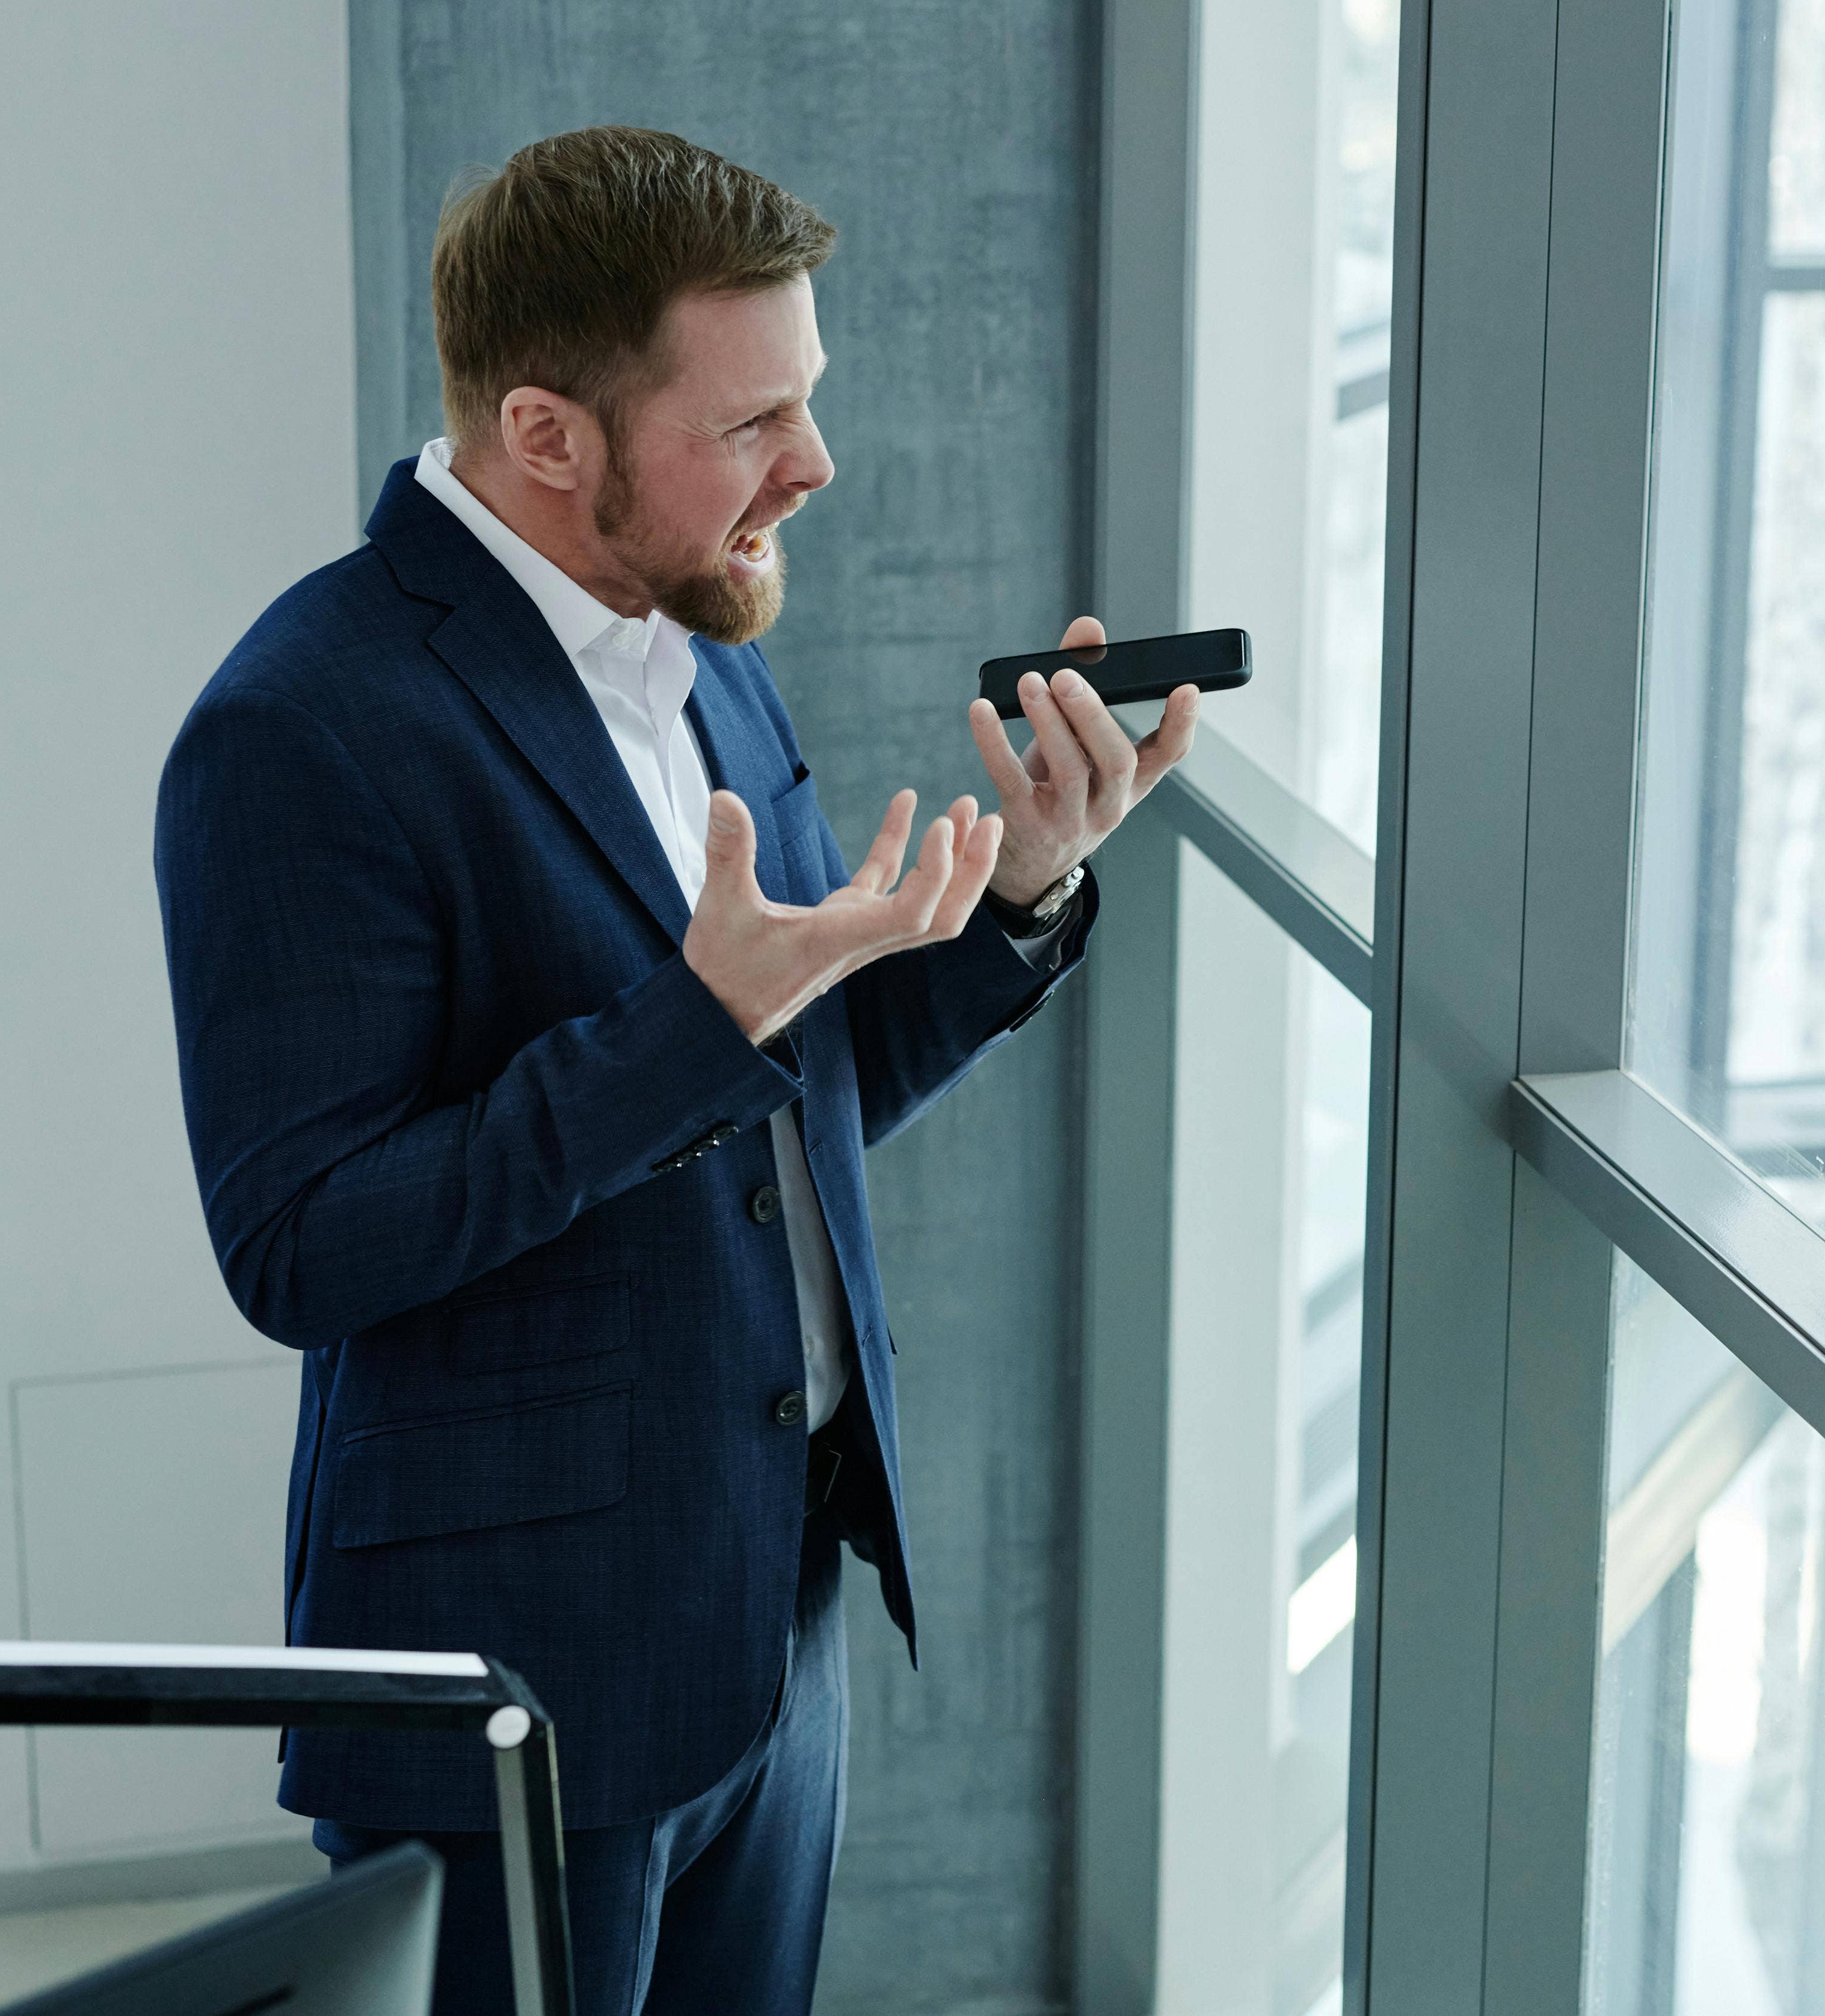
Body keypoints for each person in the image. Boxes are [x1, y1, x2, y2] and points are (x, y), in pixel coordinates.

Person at [152, 124, 1195, 2016]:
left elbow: (765, 1103)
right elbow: (301, 1243)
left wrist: (1022, 889)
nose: (809, 464)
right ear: (548, 435)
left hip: (766, 1622)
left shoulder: (696, 640)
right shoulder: (296, 726)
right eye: (753, 422)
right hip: (518, 1673)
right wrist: (689, 1025)